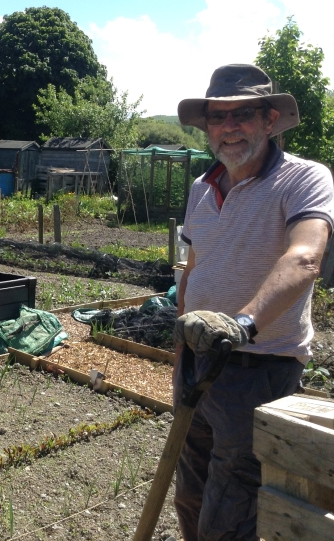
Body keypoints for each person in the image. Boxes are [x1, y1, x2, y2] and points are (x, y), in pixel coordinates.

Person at [172, 64, 334, 541]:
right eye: (218, 118)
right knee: (191, 493)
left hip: (257, 367)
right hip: (197, 359)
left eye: (242, 114)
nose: (229, 127)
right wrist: (180, 350)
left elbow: (305, 258)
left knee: (230, 511)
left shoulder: (305, 179)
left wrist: (242, 323)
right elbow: (193, 270)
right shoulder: (202, 188)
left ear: (269, 120)